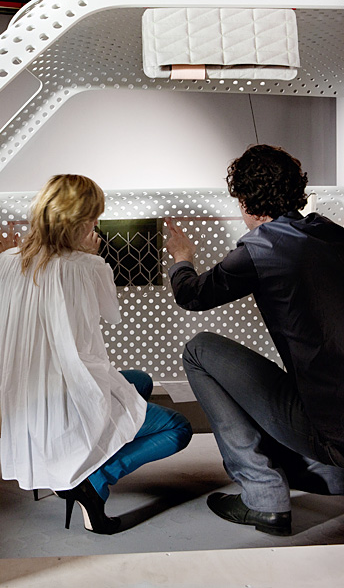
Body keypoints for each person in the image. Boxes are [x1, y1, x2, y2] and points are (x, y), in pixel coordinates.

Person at [0, 174, 192, 535]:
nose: (96, 226)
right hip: (69, 399)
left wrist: (8, 260)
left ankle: (74, 465)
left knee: (139, 382)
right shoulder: (88, 265)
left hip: (27, 401)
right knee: (178, 428)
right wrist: (92, 259)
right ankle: (92, 481)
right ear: (79, 223)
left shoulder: (4, 262)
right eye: (93, 219)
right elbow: (110, 313)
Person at [165, 144, 344, 536]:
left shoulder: (260, 248)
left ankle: (264, 497)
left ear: (245, 201)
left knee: (199, 351)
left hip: (333, 434)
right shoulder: (331, 234)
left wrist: (181, 257)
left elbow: (192, 295)